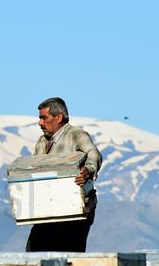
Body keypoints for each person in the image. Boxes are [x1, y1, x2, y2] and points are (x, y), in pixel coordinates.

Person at [25, 97, 103, 252]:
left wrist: (87, 170)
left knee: (68, 254)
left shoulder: (77, 136)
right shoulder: (42, 142)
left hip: (74, 212)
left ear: (58, 117)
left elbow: (93, 154)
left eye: (43, 118)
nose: (40, 123)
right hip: (48, 210)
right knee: (34, 252)